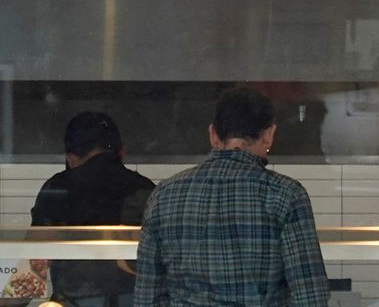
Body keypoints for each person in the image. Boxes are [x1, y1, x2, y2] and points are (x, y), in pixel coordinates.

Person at [134, 88, 327, 307]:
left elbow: (147, 298)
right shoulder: (286, 194)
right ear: (268, 135)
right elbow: (311, 298)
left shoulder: (164, 195)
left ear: (213, 135)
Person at [31, 112, 155, 307]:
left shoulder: (58, 188)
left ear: (70, 158)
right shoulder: (146, 190)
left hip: (73, 302)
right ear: (122, 152)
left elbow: (32, 268)